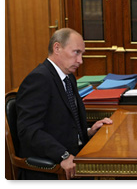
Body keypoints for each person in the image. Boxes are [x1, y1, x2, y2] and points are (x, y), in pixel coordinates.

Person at [16, 28, 113, 179]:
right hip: (51, 168)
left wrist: (88, 131)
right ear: (57, 48)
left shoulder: (68, 78)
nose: (80, 60)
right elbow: (29, 130)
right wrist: (63, 155)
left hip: (75, 157)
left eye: (82, 54)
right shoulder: (39, 79)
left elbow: (63, 123)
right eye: (76, 52)